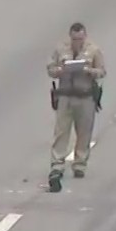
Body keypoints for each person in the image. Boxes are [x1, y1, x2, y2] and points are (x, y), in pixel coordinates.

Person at [46, 21, 105, 191]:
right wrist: (60, 70)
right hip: (65, 95)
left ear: (84, 36)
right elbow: (50, 68)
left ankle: (80, 164)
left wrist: (89, 71)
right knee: (61, 131)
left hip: (85, 96)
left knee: (84, 132)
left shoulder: (93, 50)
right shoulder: (61, 49)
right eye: (74, 39)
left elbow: (101, 71)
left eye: (80, 39)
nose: (77, 42)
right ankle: (57, 165)